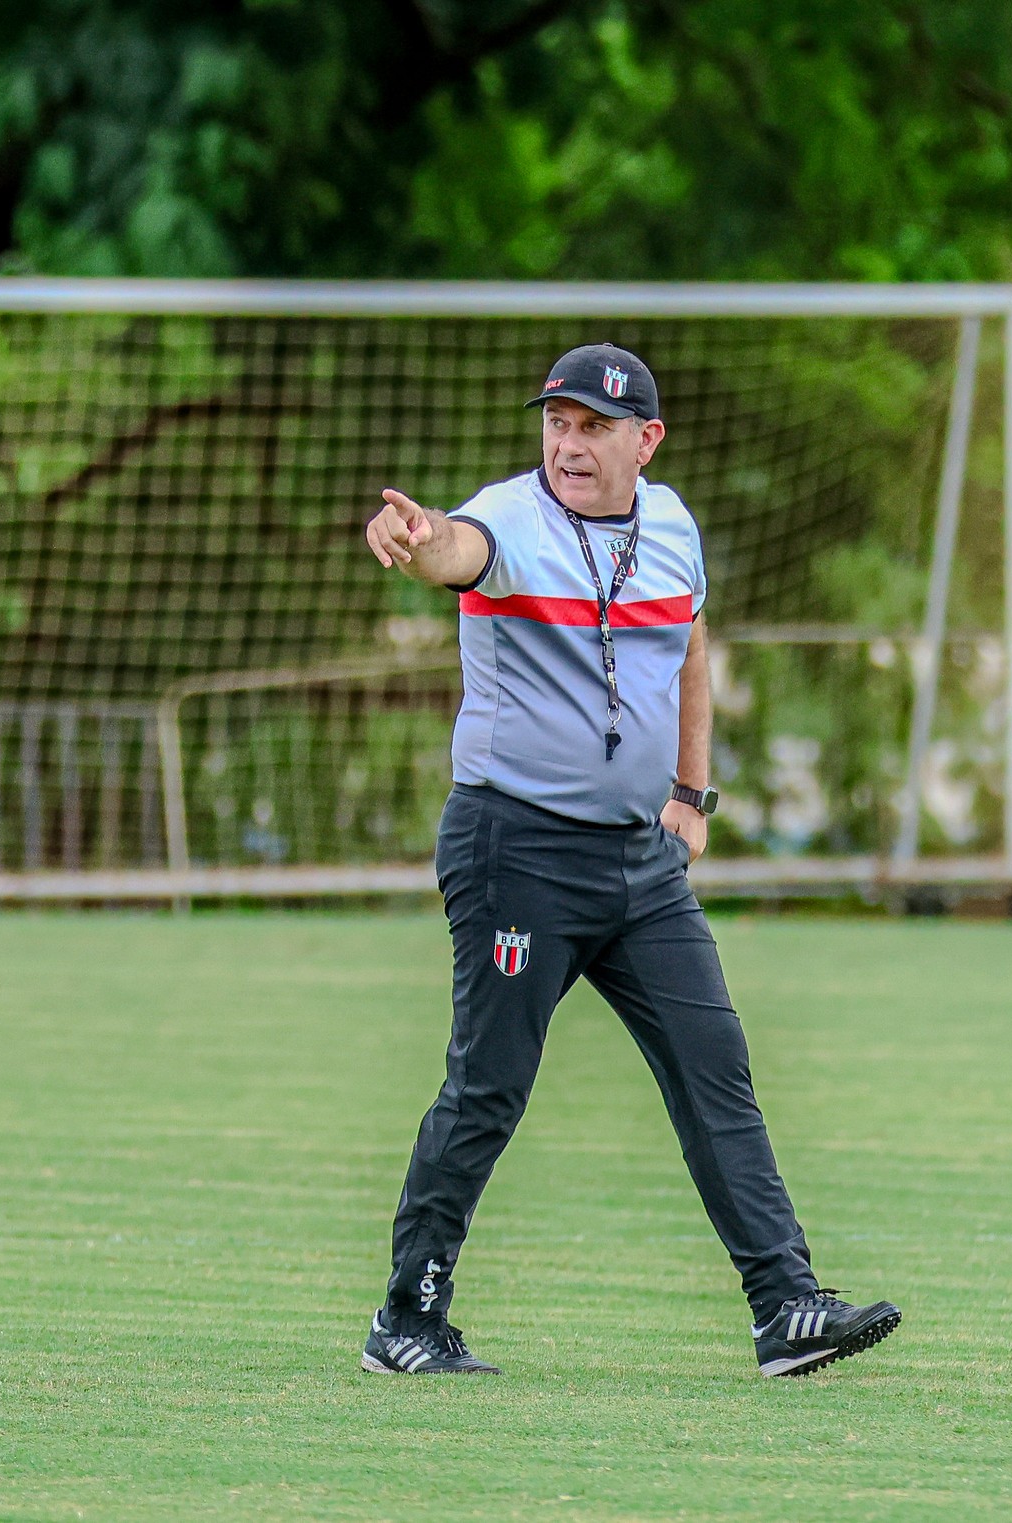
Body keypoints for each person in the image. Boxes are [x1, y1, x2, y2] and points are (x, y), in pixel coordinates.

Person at [358, 342, 900, 1377]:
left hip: (638, 862)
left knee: (716, 1069)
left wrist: (691, 796)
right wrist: (413, 535)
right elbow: (451, 550)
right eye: (556, 423)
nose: (568, 443)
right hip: (515, 848)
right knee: (490, 1087)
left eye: (593, 427)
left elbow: (689, 647)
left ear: (644, 441)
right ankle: (406, 1317)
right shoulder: (509, 519)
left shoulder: (674, 526)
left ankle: (784, 1308)